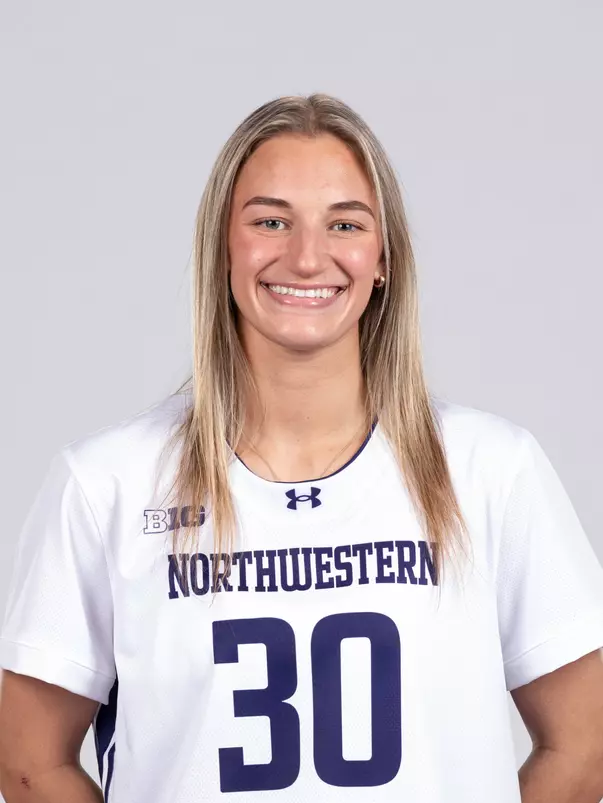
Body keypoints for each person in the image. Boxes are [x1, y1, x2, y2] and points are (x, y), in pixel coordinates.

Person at [1, 93, 603, 803]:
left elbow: (585, 743)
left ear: (383, 257)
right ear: (222, 248)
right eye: (270, 221)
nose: (308, 257)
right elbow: (27, 761)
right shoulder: (109, 484)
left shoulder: (490, 471)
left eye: (344, 223)